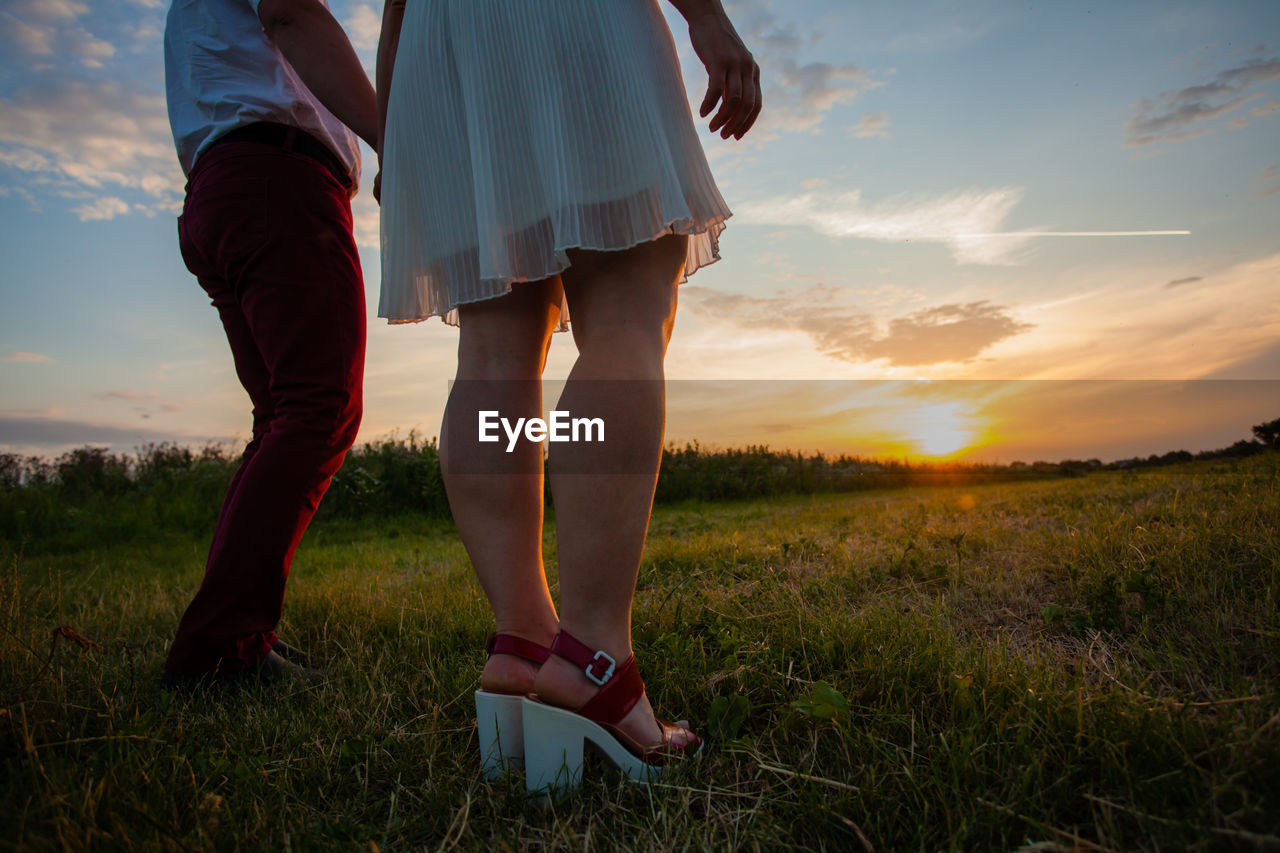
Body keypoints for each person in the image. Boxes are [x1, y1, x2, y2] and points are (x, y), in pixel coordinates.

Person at [376, 0, 760, 791]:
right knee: (623, 303)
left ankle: (521, 640)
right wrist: (709, 19)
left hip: (439, 48)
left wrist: (395, 120)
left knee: (491, 342)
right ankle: (592, 653)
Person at [160, 0, 377, 687]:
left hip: (224, 190)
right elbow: (290, 12)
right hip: (275, 181)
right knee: (321, 408)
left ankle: (232, 637)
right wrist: (391, 135)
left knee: (285, 416)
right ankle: (219, 645)